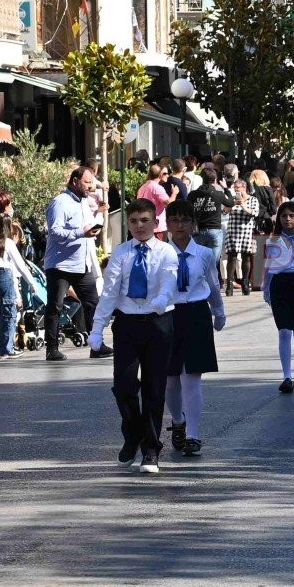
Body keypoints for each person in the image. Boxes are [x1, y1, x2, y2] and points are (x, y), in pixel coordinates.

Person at [89, 197, 178, 474]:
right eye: (134, 221)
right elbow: (110, 290)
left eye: (144, 221)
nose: (139, 226)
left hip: (158, 321)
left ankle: (151, 449)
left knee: (154, 387)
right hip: (127, 323)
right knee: (124, 385)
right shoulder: (122, 253)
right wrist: (97, 327)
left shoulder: (166, 252)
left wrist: (162, 298)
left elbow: (170, 280)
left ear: (155, 222)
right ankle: (133, 434)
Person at [161, 201, 227, 458]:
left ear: (193, 224)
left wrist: (218, 312)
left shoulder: (204, 253)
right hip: (168, 314)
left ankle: (193, 435)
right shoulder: (161, 252)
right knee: (170, 379)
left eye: (185, 220)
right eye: (174, 220)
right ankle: (178, 420)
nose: (179, 225)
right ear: (167, 224)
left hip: (196, 312)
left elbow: (212, 283)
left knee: (192, 377)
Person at [43, 166, 105, 362]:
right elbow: (55, 232)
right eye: (87, 182)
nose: (90, 186)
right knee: (55, 306)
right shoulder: (60, 203)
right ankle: (52, 349)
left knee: (93, 303)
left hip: (82, 264)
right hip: (60, 265)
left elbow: (86, 227)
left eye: (91, 182)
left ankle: (96, 345)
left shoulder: (84, 203)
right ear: (75, 180)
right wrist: (81, 232)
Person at [263, 201, 294, 391]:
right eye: (284, 216)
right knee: (284, 330)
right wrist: (266, 290)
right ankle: (286, 376)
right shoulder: (272, 241)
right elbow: (267, 268)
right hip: (280, 285)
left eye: (292, 215)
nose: (288, 219)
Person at [0, 216, 30, 359]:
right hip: (5, 277)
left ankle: (0, 346)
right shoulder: (8, 243)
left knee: (3, 314)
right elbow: (20, 267)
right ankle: (6, 349)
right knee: (10, 313)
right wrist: (32, 283)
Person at [222, 179, 260, 296]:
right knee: (231, 257)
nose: (236, 190)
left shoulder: (253, 199)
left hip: (247, 231)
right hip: (233, 230)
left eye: (238, 187)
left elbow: (254, 213)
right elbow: (224, 212)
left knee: (246, 257)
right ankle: (229, 284)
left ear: (244, 187)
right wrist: (233, 204)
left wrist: (243, 205)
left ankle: (245, 281)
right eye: (235, 188)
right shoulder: (232, 200)